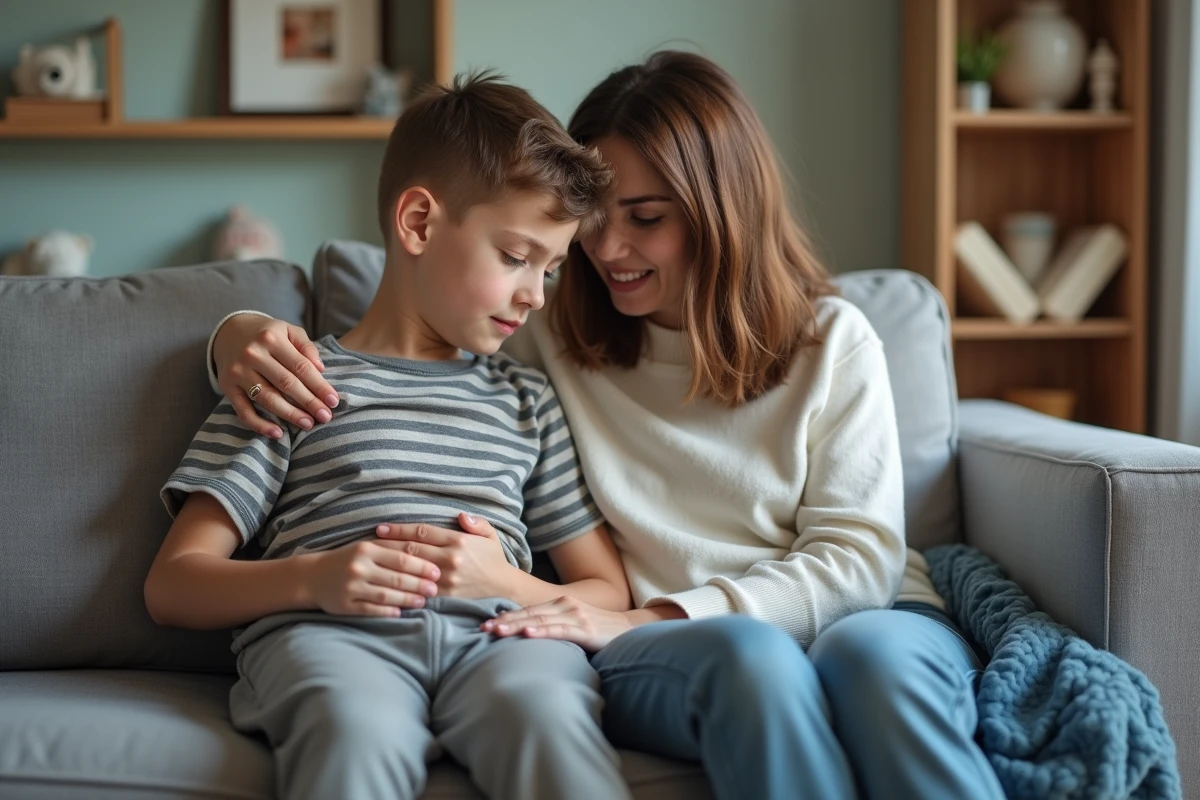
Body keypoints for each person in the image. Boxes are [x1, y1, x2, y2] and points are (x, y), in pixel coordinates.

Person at [208, 52, 1006, 800]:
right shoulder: (557, 330)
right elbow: (415, 326)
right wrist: (235, 334)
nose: (606, 251)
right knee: (751, 661)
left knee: (877, 667)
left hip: (846, 614)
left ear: (722, 212)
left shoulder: (832, 340)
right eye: (594, 224)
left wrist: (640, 616)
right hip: (671, 649)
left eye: (646, 218)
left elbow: (859, 558)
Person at [145, 73, 637, 800]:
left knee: (546, 718)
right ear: (417, 223)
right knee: (352, 731)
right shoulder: (292, 381)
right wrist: (312, 579)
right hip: (331, 641)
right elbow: (173, 583)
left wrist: (505, 582)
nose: (536, 294)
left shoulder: (524, 400)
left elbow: (608, 590)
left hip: (506, 642)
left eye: (551, 269)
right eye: (515, 257)